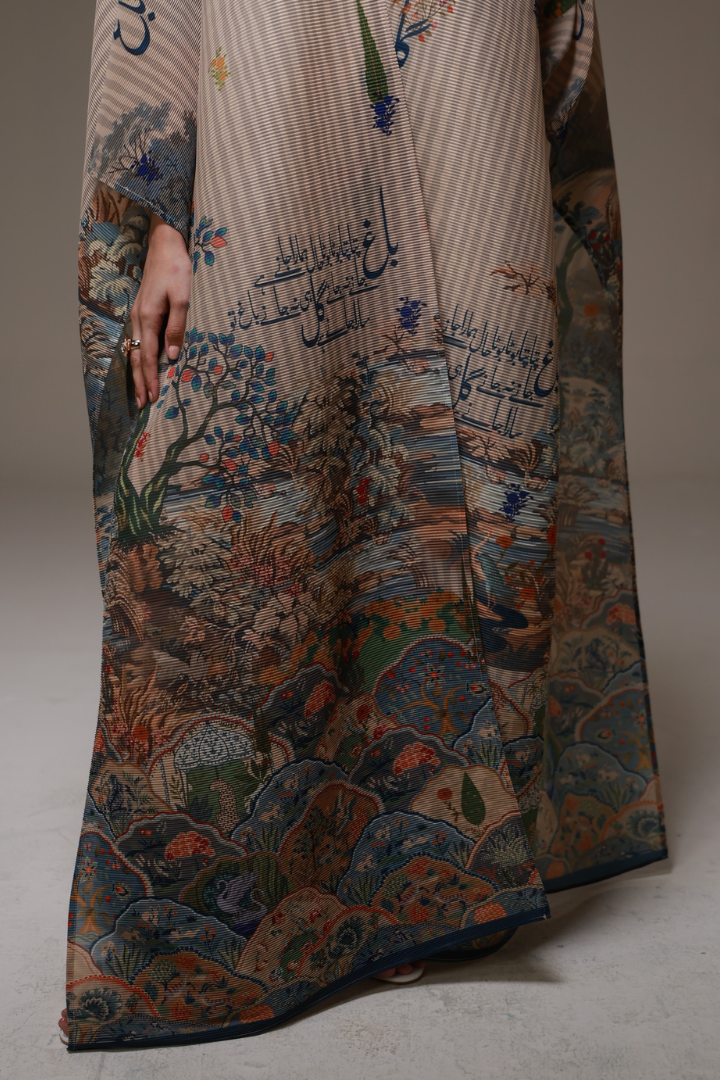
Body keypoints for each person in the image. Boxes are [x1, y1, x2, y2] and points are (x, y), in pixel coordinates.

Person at [62, 0, 666, 1050]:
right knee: (286, 474)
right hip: (278, 116)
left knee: (490, 456)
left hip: (472, 110)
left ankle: (460, 855)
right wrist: (165, 220)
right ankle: (297, 868)